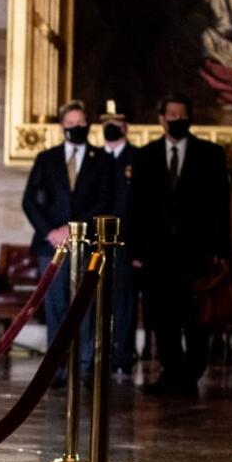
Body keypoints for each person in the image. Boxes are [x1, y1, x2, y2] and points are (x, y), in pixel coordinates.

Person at [129, 93, 231, 397]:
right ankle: (170, 373)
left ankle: (191, 374)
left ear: (190, 118)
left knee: (196, 317)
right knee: (162, 317)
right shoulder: (145, 156)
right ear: (161, 119)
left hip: (195, 252)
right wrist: (134, 251)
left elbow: (220, 205)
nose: (176, 119)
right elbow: (134, 207)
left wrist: (221, 251)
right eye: (171, 115)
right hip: (156, 254)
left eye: (181, 114)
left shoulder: (210, 154)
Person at [21, 100, 110, 386]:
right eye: (70, 123)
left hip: (85, 243)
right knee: (56, 307)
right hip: (51, 246)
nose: (76, 128)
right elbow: (30, 200)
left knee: (83, 306)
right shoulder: (46, 158)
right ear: (62, 127)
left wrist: (74, 229)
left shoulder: (103, 160)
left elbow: (104, 200)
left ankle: (84, 368)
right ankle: (55, 370)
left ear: (89, 125)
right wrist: (51, 232)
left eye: (80, 123)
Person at [98, 100, 140, 375]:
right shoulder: (95, 158)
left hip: (126, 241)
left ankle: (123, 356)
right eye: (106, 124)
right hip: (97, 241)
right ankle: (98, 354)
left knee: (124, 302)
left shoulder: (137, 158)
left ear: (125, 127)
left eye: (116, 124)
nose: (111, 128)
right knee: (97, 300)